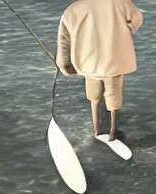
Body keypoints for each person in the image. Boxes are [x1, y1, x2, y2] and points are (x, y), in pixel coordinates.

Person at [56, 0, 143, 142]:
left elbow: (64, 39)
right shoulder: (120, 2)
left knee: (94, 97)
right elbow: (137, 19)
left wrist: (63, 64)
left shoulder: (72, 9)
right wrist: (127, 27)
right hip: (114, 58)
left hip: (89, 61)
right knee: (113, 96)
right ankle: (113, 133)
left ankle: (96, 130)